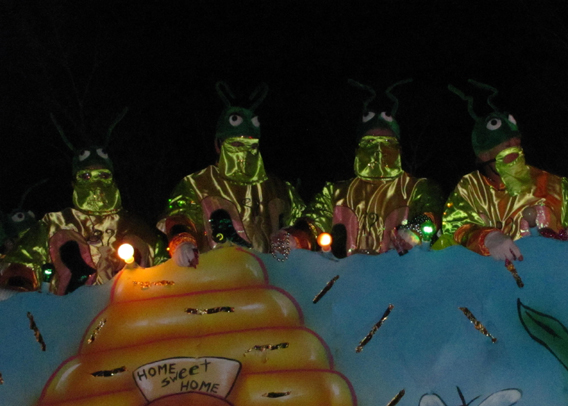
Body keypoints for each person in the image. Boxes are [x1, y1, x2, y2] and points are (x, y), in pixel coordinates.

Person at [0, 114, 168, 295]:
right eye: (86, 176)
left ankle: (128, 281)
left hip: (126, 309)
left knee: (135, 244)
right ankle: (76, 283)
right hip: (72, 314)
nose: (95, 183)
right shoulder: (54, 223)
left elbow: (165, 266)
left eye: (103, 176)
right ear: (74, 182)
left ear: (113, 180)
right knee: (64, 239)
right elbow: (23, 262)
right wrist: (16, 287)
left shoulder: (134, 226)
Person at [437, 81, 568, 261]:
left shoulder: (555, 185)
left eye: (517, 143)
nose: (515, 152)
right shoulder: (470, 190)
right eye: (507, 146)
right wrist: (487, 237)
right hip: (502, 282)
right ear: (485, 155)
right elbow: (456, 228)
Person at [158, 83, 304, 267]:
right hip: (217, 280)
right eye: (235, 146)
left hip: (271, 280)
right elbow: (179, 215)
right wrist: (182, 240)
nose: (244, 154)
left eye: (252, 147)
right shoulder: (196, 184)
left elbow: (304, 221)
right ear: (218, 145)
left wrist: (295, 238)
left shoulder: (279, 188)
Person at [301, 80, 442, 257]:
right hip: (347, 277)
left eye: (387, 143)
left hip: (399, 278)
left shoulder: (417, 188)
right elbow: (313, 221)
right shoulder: (335, 192)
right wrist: (294, 237)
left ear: (398, 148)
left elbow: (430, 212)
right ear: (358, 148)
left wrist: (414, 231)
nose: (379, 150)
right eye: (370, 142)